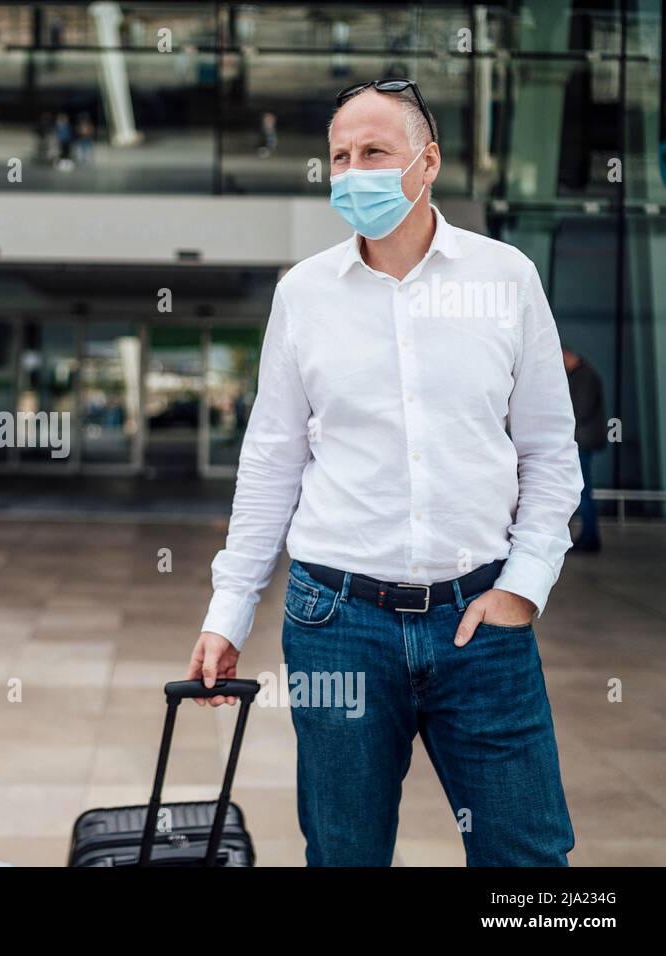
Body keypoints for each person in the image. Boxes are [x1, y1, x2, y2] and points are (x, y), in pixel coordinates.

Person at [187, 79, 583, 866]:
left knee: (529, 858)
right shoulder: (303, 296)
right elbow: (272, 460)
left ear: (427, 162)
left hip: (481, 617)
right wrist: (227, 611)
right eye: (339, 157)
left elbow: (550, 450)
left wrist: (523, 586)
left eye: (374, 152)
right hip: (337, 624)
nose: (353, 171)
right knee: (345, 853)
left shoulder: (505, 280)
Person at [563, 346, 607, 552]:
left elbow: (579, 410)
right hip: (582, 441)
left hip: (583, 442)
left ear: (567, 356)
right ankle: (587, 536)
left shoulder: (585, 377)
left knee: (583, 492)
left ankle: (589, 538)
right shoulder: (583, 375)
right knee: (582, 491)